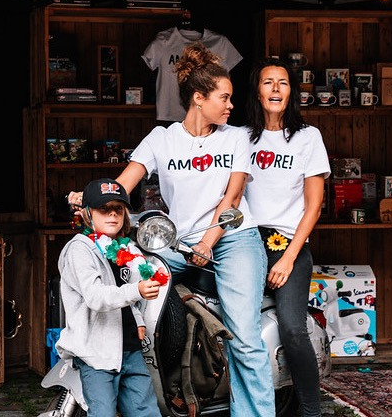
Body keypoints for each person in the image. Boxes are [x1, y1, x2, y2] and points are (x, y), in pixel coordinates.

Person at [114, 42, 275, 417]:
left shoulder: (235, 137)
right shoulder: (162, 139)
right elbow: (122, 186)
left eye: (231, 98)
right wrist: (92, 200)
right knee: (133, 289)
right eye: (225, 98)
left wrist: (208, 240)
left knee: (244, 337)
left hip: (233, 239)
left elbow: (232, 197)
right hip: (180, 243)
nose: (231, 105)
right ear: (199, 99)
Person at [240, 60, 330, 417]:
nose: (275, 89)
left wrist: (289, 257)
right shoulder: (239, 136)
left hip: (288, 245)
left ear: (291, 91)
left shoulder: (308, 137)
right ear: (257, 91)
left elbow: (314, 206)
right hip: (244, 243)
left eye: (283, 83)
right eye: (267, 83)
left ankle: (311, 411)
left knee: (293, 329)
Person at [57, 178, 166, 417]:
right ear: (87, 213)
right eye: (104, 209)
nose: (112, 215)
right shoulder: (80, 249)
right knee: (103, 413)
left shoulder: (125, 248)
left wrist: (137, 318)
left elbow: (124, 287)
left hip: (130, 347)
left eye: (118, 209)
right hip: (97, 352)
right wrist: (136, 290)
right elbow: (96, 296)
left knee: (146, 411)